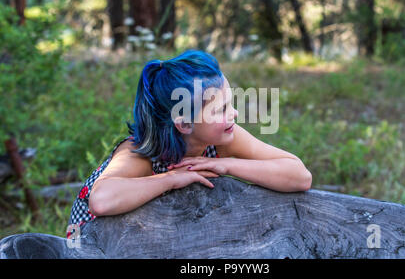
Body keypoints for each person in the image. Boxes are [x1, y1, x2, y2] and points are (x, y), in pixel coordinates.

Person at [67, 50, 312, 236]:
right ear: (184, 124)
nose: (234, 114)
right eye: (221, 109)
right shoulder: (141, 153)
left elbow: (300, 176)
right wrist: (171, 179)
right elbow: (101, 201)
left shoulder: (224, 137)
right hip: (97, 243)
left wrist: (226, 165)